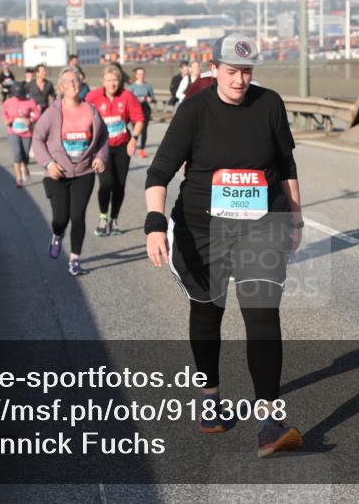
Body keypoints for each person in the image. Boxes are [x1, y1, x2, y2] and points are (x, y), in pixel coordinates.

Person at [144, 33, 304, 457]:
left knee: (263, 314)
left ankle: (270, 421)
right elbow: (159, 172)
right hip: (203, 229)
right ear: (214, 68)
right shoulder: (194, 110)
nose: (239, 81)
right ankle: (209, 398)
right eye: (232, 71)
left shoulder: (269, 104)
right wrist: (155, 224)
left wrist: (295, 216)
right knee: (207, 311)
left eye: (247, 72)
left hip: (260, 226)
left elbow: (286, 163)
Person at [32, 68, 108, 276]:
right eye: (67, 81)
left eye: (75, 80)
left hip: (83, 173)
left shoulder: (90, 110)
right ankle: (57, 235)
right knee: (61, 218)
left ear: (81, 83)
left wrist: (101, 157)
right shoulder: (53, 113)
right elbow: (37, 138)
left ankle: (75, 259)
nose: (72, 84)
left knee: (78, 215)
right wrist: (48, 163)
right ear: (61, 87)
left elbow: (103, 137)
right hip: (58, 174)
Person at [86, 65, 145, 236]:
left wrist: (134, 139)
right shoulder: (93, 97)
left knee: (119, 185)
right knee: (106, 184)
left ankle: (114, 219)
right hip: (101, 149)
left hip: (121, 146)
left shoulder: (127, 96)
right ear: (103, 81)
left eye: (115, 80)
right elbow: (83, 118)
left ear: (120, 81)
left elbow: (139, 119)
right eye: (109, 80)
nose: (112, 84)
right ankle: (103, 217)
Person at [1, 81, 42, 187]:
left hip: (26, 132)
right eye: (16, 94)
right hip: (13, 131)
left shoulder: (30, 102)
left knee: (25, 154)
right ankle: (19, 179)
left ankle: (25, 167)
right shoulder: (8, 102)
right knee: (17, 153)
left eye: (20, 94)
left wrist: (31, 120)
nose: (18, 96)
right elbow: (4, 113)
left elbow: (37, 114)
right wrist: (6, 120)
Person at [128, 67, 156, 158]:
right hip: (135, 111)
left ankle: (142, 150)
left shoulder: (148, 86)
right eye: (139, 74)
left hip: (145, 109)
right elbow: (128, 100)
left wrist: (150, 99)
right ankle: (133, 144)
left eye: (142, 74)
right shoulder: (132, 87)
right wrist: (137, 100)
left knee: (144, 130)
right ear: (136, 75)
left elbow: (153, 99)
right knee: (136, 130)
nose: (141, 76)